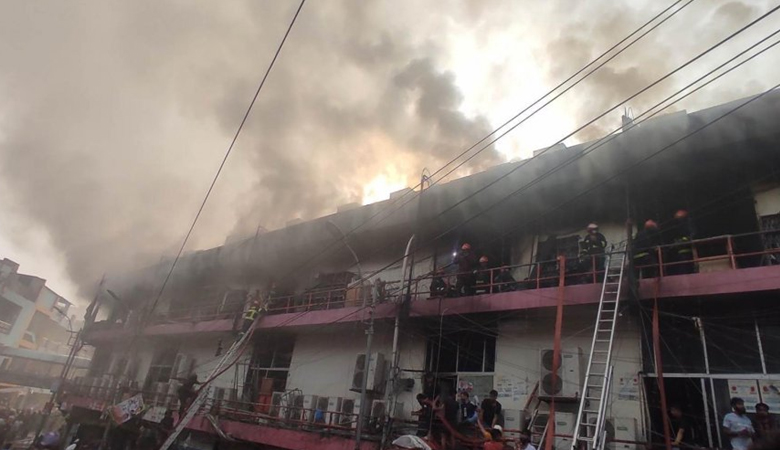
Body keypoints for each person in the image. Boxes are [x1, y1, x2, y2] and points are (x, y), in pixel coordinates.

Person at [666, 210, 696, 275]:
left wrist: (681, 241)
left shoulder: (687, 225)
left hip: (687, 253)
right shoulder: (682, 226)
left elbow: (691, 236)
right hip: (681, 253)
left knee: (686, 269)